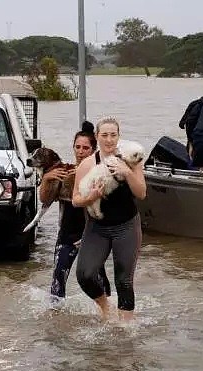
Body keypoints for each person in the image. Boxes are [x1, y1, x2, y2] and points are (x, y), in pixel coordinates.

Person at [73, 117, 147, 322]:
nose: (109, 139)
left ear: (118, 137)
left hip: (126, 226)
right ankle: (106, 307)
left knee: (123, 280)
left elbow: (141, 193)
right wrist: (91, 197)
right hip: (97, 227)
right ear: (97, 138)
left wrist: (126, 172)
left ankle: (125, 328)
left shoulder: (132, 159)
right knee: (85, 274)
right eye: (104, 135)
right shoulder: (87, 164)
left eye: (113, 135)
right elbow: (75, 200)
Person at [44, 121, 111, 306]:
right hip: (67, 234)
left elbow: (106, 211)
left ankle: (108, 314)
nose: (81, 151)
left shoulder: (101, 174)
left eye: (85, 148)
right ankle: (55, 319)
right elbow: (45, 200)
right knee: (58, 279)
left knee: (98, 278)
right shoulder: (64, 172)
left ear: (93, 150)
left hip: (92, 236)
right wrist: (46, 179)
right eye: (77, 147)